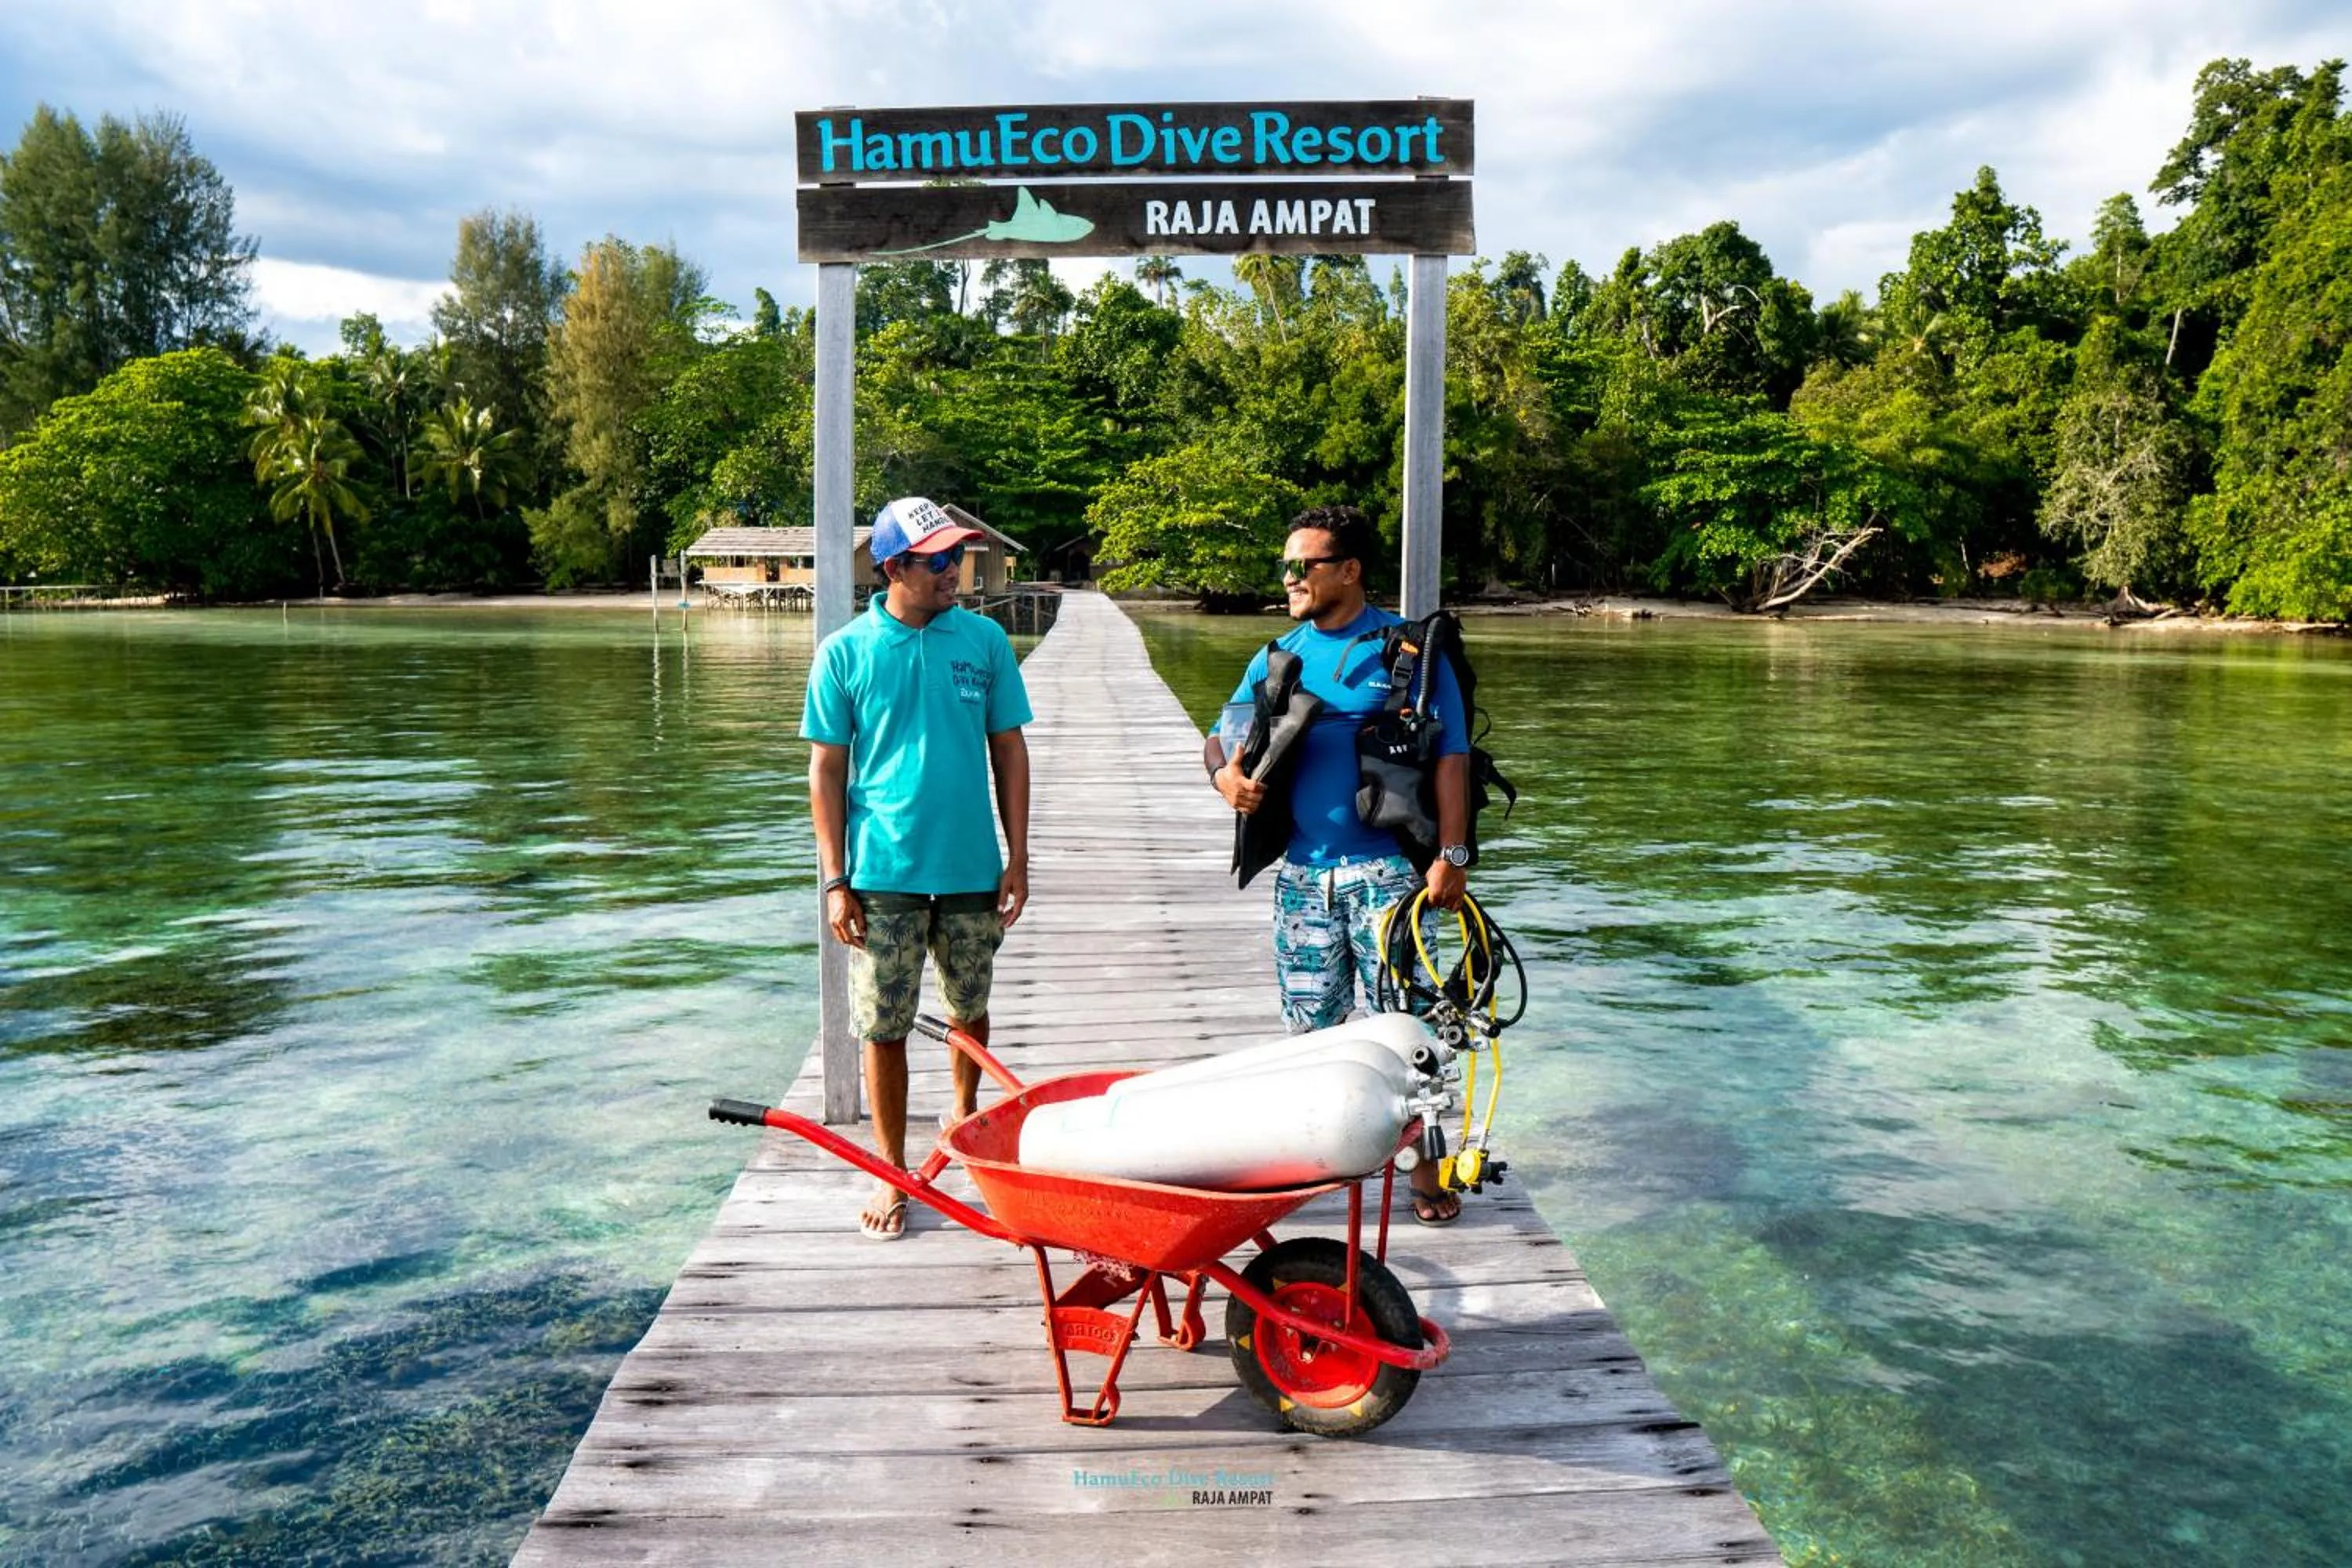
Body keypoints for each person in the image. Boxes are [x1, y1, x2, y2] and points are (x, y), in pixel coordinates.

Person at [1204, 505, 1472, 1225]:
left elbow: (1452, 760)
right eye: (1286, 565)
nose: (1289, 578)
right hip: (1302, 878)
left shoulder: (1409, 654)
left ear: (1348, 571)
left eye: (1304, 565)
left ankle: (1424, 1174)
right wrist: (1225, 779)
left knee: (1409, 1032)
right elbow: (1221, 736)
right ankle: (1325, 1161)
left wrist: (1452, 855)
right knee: (1312, 1035)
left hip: (1389, 876)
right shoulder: (1277, 655)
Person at [803, 496, 1033, 1240]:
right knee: (884, 1025)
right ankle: (892, 1171)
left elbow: (1009, 750)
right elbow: (826, 773)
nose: (954, 573)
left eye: (956, 558)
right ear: (893, 567)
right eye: (937, 562)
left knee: (970, 1008)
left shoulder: (986, 641)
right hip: (883, 874)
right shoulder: (845, 653)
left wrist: (1018, 854)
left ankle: (964, 1116)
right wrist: (835, 881)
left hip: (971, 866)